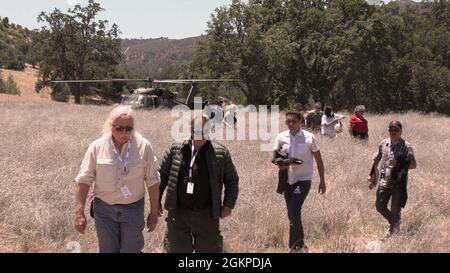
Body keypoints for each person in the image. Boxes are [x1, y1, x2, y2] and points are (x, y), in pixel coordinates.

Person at [74, 105, 160, 253]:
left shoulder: (144, 147)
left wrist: (153, 212)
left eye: (129, 128)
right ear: (110, 126)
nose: (124, 132)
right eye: (119, 128)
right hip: (104, 210)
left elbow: (153, 181)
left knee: (132, 250)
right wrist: (79, 212)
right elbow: (84, 180)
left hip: (133, 208)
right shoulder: (96, 147)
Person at [159, 114, 239, 253]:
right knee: (177, 249)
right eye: (196, 130)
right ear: (190, 129)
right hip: (179, 214)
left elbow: (232, 181)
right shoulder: (176, 148)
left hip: (206, 215)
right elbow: (162, 176)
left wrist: (228, 205)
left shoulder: (220, 152)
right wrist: (156, 201)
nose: (199, 135)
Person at [273, 111, 326, 253]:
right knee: (292, 213)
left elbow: (319, 160)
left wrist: (322, 181)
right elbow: (274, 157)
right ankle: (300, 245)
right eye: (288, 121)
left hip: (303, 180)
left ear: (300, 122)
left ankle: (296, 246)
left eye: (293, 121)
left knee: (293, 209)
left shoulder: (309, 138)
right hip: (287, 180)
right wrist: (280, 163)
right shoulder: (281, 137)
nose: (290, 124)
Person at [368, 120, 416, 236]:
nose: (393, 132)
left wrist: (398, 164)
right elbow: (376, 159)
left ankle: (393, 230)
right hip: (384, 180)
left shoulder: (406, 146)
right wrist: (372, 174)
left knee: (395, 208)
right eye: (391, 129)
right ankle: (394, 222)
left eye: (396, 129)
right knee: (379, 205)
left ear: (401, 131)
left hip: (398, 182)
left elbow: (413, 164)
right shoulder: (383, 143)